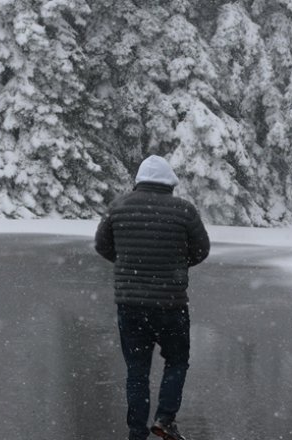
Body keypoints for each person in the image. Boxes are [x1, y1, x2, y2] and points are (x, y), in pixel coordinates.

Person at [94, 155, 210, 440]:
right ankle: (165, 418)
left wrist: (128, 264)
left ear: (139, 182)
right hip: (171, 303)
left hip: (130, 305)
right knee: (177, 361)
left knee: (137, 371)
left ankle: (136, 431)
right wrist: (176, 265)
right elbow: (201, 250)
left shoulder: (118, 207)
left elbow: (102, 246)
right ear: (169, 183)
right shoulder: (184, 211)